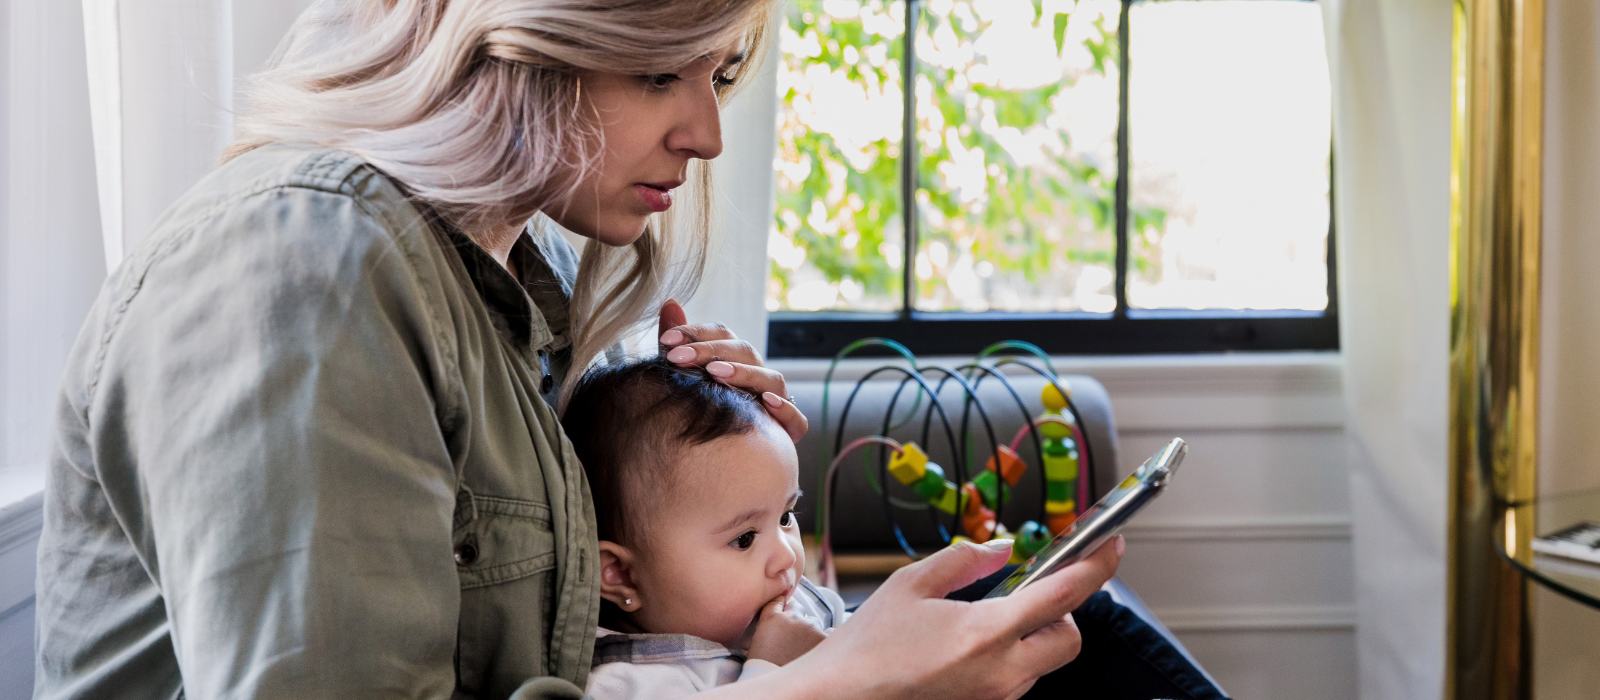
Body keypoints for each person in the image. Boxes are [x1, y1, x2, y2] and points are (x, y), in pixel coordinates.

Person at [33, 1, 1121, 699]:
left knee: (1096, 638)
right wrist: (837, 686)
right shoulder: (302, 270)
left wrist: (697, 472)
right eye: (658, 74)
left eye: (715, 75)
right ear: (512, 45)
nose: (706, 135)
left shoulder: (506, 283)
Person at [561, 357, 850, 698]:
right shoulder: (625, 685)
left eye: (785, 517)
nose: (787, 557)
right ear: (621, 575)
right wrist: (772, 676)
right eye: (744, 539)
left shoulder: (794, 604)